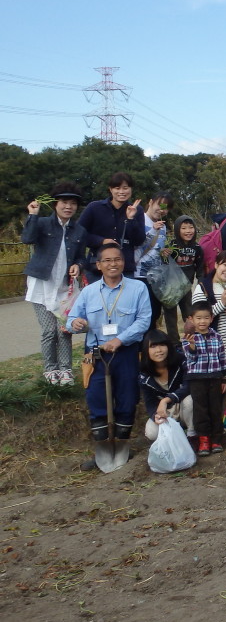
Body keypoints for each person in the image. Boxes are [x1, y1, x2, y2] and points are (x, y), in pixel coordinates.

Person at [67, 242, 150, 459]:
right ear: (98, 265)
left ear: (123, 262)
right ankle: (103, 451)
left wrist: (120, 340)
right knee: (95, 397)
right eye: (108, 260)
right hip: (95, 352)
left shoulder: (138, 288)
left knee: (127, 397)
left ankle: (122, 446)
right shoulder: (88, 292)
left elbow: (143, 321)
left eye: (118, 259)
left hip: (126, 351)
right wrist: (76, 323)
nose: (113, 264)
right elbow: (71, 320)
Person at [22, 181, 88, 386]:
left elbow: (81, 257)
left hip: (64, 290)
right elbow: (27, 238)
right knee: (49, 330)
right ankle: (50, 369)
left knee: (64, 330)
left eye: (73, 203)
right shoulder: (41, 223)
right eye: (64, 202)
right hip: (41, 286)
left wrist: (78, 265)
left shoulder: (79, 230)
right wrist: (32, 214)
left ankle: (66, 369)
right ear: (55, 204)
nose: (68, 207)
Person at [77, 172, 145, 282]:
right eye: (117, 188)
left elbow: (139, 240)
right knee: (96, 299)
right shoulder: (94, 207)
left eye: (125, 188)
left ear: (131, 189)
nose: (121, 192)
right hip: (96, 269)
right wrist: (101, 241)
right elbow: (78, 234)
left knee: (125, 299)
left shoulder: (137, 210)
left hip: (125, 269)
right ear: (110, 189)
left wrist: (131, 219)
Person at [181, 301, 226, 456]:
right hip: (197, 379)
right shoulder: (188, 338)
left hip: (215, 377)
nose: (202, 321)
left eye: (206, 318)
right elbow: (190, 359)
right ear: (191, 319)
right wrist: (192, 345)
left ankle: (216, 439)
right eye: (198, 318)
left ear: (211, 318)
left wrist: (224, 378)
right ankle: (204, 439)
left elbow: (222, 358)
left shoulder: (217, 336)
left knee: (215, 408)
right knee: (200, 409)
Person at [138, 329, 193, 441]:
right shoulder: (143, 374)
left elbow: (189, 385)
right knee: (151, 433)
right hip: (165, 412)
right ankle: (176, 437)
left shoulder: (181, 360)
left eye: (162, 345)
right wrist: (155, 416)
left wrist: (166, 400)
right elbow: (150, 402)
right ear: (146, 350)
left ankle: (193, 435)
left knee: (189, 400)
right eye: (153, 346)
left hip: (183, 407)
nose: (158, 350)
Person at [193, 250, 226, 371]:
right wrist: (222, 303)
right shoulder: (203, 287)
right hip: (211, 345)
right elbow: (199, 319)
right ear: (216, 265)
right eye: (225, 265)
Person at [163, 215, 204, 345]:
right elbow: (163, 265)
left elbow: (200, 267)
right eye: (184, 228)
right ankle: (174, 343)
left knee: (189, 315)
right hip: (170, 288)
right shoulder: (171, 246)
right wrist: (164, 255)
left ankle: (191, 341)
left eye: (191, 227)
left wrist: (201, 283)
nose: (188, 231)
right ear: (177, 230)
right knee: (170, 317)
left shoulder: (197, 248)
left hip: (186, 287)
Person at [136, 192, 173, 331]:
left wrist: (164, 252)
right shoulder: (139, 220)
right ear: (151, 202)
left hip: (156, 277)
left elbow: (157, 249)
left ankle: (149, 347)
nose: (162, 209)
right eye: (160, 204)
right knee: (142, 314)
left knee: (155, 313)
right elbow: (135, 247)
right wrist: (152, 230)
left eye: (166, 207)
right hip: (139, 275)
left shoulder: (163, 226)